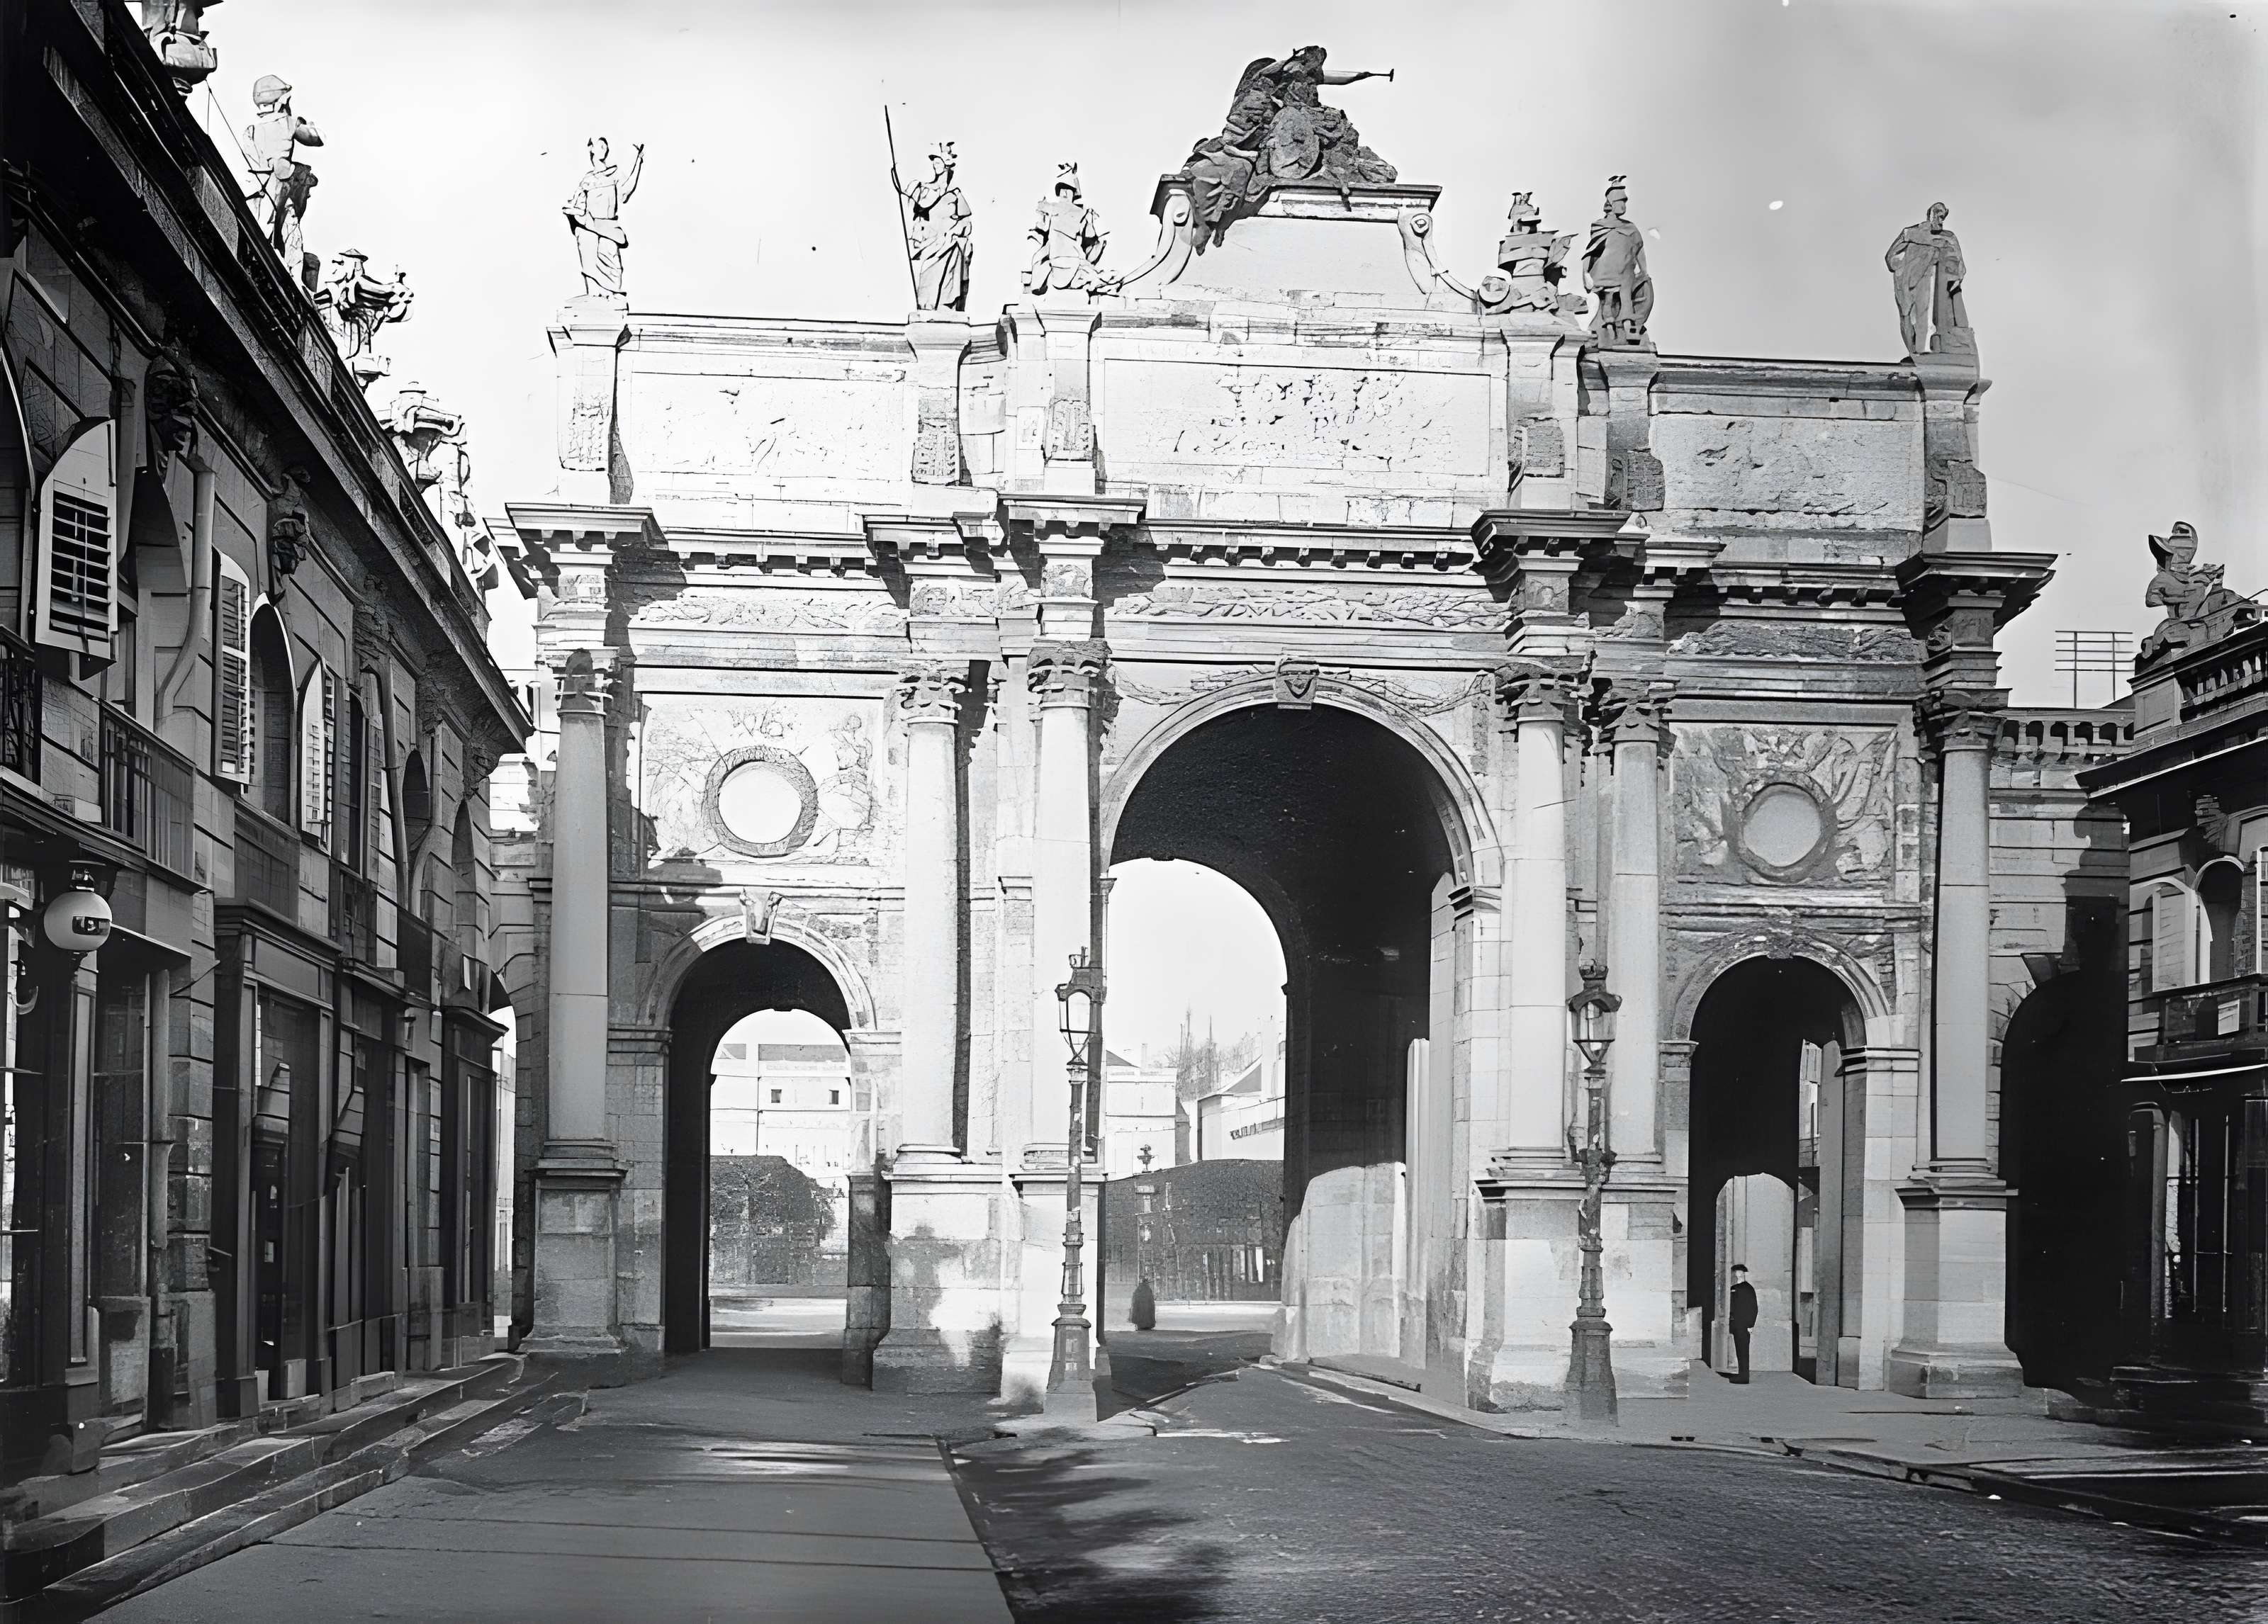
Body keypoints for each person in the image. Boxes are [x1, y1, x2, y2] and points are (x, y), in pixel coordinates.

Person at [1727, 1263, 1758, 1385]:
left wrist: (1751, 1325)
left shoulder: (1748, 1288)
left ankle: (1744, 1377)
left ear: (1743, 1273)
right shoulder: (1734, 1288)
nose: (1737, 1274)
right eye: (1735, 1272)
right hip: (1736, 1325)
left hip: (1744, 1325)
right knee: (1740, 1351)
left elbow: (1753, 1308)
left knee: (1743, 1351)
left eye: (1739, 1271)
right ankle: (1742, 1375)